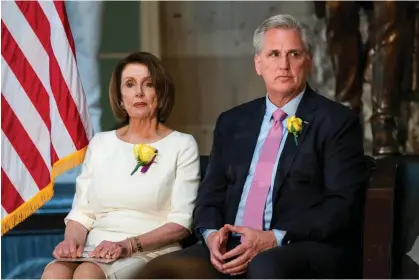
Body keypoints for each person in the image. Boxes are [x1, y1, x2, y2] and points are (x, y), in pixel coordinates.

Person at [139, 14, 367, 279]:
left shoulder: (337, 121)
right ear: (258, 64)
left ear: (309, 62)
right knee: (159, 270)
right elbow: (210, 195)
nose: (284, 64)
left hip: (299, 245)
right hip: (230, 244)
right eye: (273, 54)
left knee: (264, 267)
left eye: (293, 54)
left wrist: (273, 238)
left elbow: (341, 206)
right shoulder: (232, 121)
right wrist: (212, 237)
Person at [41, 52, 200, 279]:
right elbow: (82, 213)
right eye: (129, 84)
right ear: (119, 97)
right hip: (95, 249)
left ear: (161, 92)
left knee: (88, 273)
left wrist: (127, 245)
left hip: (149, 250)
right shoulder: (101, 143)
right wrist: (71, 242)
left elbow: (181, 223)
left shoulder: (182, 144)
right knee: (55, 272)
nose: (139, 92)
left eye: (148, 84)